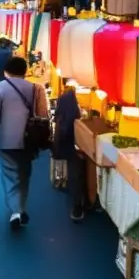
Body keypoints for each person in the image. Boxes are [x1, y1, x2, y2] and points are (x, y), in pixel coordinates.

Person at [0, 56, 50, 230]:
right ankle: (20, 207)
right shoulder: (37, 88)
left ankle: (16, 210)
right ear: (25, 72)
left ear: (6, 71)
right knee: (24, 173)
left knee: (10, 174)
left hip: (7, 139)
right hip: (30, 140)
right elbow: (43, 114)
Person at [52, 84, 87, 221]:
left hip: (66, 142)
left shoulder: (65, 98)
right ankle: (78, 205)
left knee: (76, 172)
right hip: (73, 142)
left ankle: (79, 203)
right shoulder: (71, 99)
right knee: (77, 172)